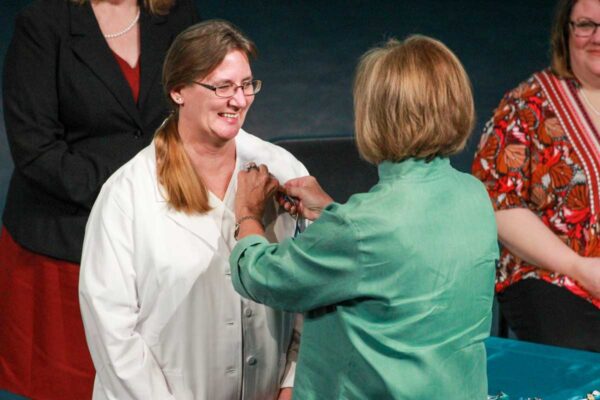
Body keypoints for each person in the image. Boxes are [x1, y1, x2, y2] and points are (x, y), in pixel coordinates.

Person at [229, 35, 499, 399]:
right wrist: (331, 212)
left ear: (379, 116)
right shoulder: (474, 196)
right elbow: (398, 265)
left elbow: (264, 277)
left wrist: (248, 215)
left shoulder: (363, 227)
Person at [79, 20, 307, 400]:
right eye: (222, 87)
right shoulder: (127, 195)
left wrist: (292, 384)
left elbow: (309, 292)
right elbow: (112, 333)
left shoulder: (283, 170)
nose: (239, 100)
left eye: (247, 85)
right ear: (178, 90)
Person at [0, 0, 198, 398]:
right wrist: (126, 198)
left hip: (157, 241)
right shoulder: (43, 24)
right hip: (66, 242)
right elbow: (35, 149)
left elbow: (194, 117)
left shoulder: (177, 17)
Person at [472, 0, 600, 352]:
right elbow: (498, 202)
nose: (596, 38)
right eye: (586, 24)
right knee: (582, 358)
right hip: (551, 276)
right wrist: (578, 266)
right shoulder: (526, 105)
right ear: (566, 31)